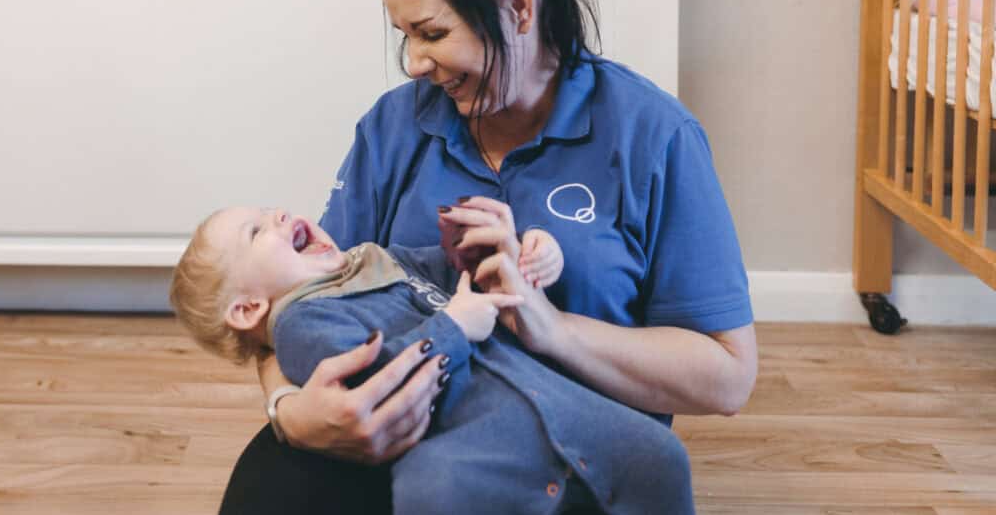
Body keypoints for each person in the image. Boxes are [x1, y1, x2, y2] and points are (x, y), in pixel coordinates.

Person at [220, 0, 758, 515]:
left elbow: (728, 376)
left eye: (432, 31)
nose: (414, 63)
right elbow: (300, 305)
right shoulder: (393, 130)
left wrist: (551, 328)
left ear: (520, 6)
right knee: (267, 488)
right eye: (403, 35)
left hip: (578, 453)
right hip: (421, 438)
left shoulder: (654, 136)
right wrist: (293, 410)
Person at [171, 203, 695, 515]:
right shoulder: (304, 323)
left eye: (268, 209)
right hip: (464, 439)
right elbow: (377, 381)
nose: (278, 215)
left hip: (552, 401)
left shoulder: (375, 260)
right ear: (248, 309)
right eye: (257, 231)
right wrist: (454, 326)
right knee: (437, 492)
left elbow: (452, 274)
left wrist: (510, 255)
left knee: (660, 456)